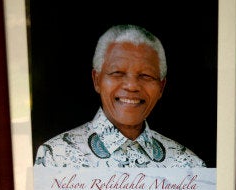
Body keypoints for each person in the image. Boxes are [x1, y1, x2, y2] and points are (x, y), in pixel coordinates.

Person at [34, 24, 206, 168]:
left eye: (146, 75)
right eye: (117, 73)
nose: (131, 86)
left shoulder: (188, 166)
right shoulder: (55, 157)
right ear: (97, 80)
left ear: (161, 87)